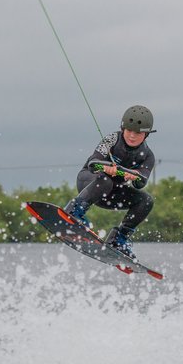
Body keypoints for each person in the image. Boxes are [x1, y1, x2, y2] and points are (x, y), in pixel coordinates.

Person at [64, 105, 156, 260]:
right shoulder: (112, 139)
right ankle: (74, 212)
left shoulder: (148, 156)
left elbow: (141, 182)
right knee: (106, 180)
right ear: (123, 128)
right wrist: (107, 168)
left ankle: (119, 240)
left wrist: (134, 176)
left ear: (146, 134)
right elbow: (93, 162)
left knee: (146, 200)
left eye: (138, 132)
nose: (132, 135)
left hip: (112, 196)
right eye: (128, 130)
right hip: (90, 182)